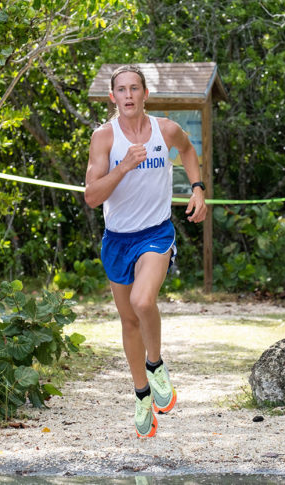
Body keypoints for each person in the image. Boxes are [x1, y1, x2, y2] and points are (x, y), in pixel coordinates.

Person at [84, 65, 207, 437]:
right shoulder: (104, 138)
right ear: (113, 97)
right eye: (121, 90)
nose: (128, 96)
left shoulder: (164, 130)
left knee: (142, 301)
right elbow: (92, 197)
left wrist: (198, 188)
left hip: (156, 233)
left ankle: (156, 364)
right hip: (117, 239)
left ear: (144, 93)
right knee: (128, 321)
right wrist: (123, 167)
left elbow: (187, 150)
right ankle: (141, 395)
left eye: (134, 88)